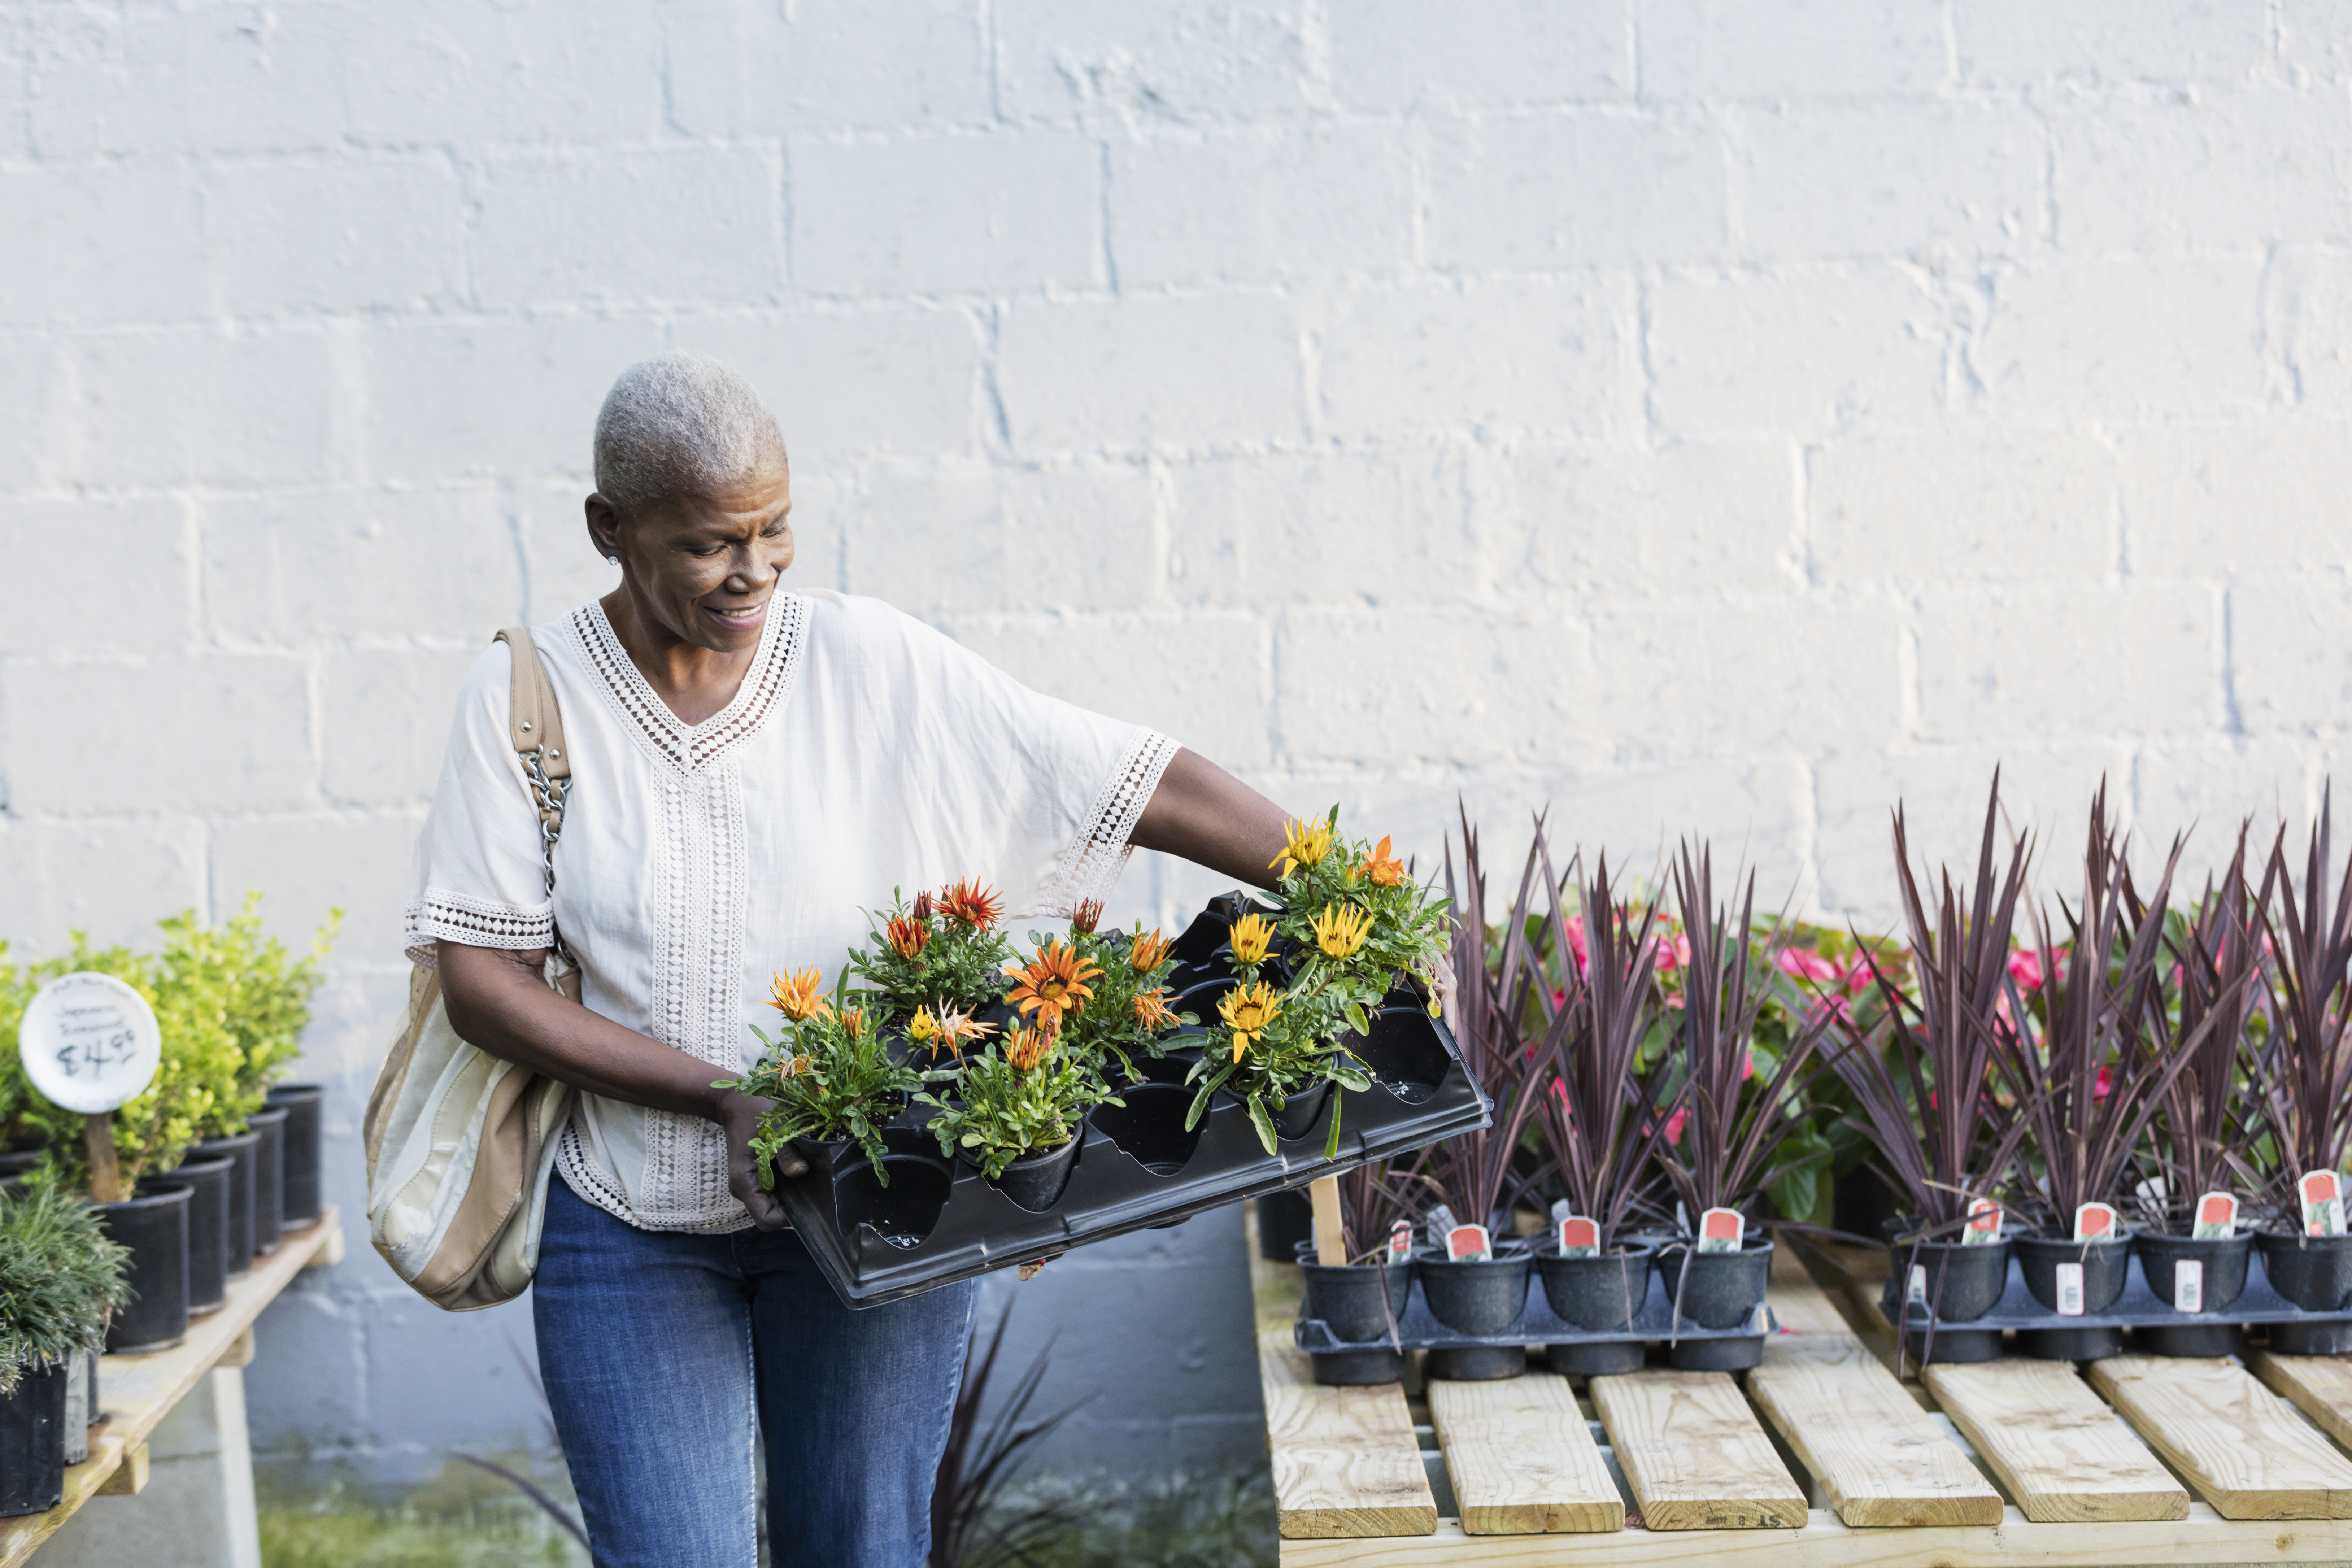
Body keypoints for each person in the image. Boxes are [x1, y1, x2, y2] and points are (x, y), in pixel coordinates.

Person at [406, 352, 1294, 1567]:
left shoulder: (867, 662)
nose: (755, 571)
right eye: (712, 543)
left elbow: (1129, 774)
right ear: (610, 529)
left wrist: (1350, 884)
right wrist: (717, 1094)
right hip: (633, 1228)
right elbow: (482, 981)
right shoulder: (527, 696)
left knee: (862, 1552)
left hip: (881, 1204)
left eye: (776, 530)